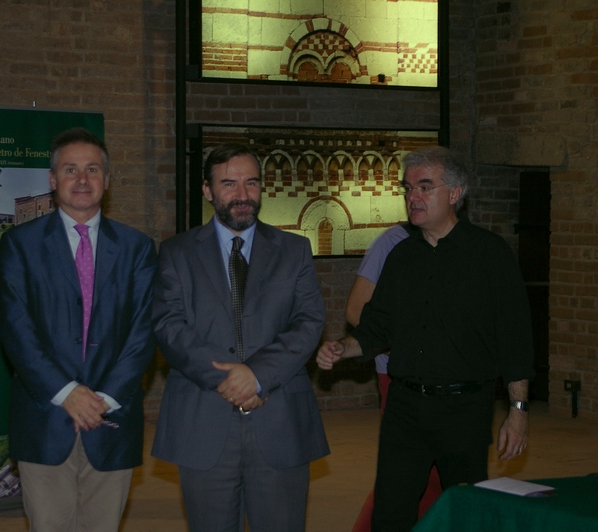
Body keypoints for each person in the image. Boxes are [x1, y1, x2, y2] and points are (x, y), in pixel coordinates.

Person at [317, 146, 534, 532]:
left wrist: (517, 413)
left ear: (455, 193)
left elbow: (515, 339)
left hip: (464, 407)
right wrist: (343, 348)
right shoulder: (401, 257)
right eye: (408, 188)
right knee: (390, 513)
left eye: (424, 187)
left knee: (465, 512)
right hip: (404, 407)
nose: (412, 196)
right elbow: (376, 328)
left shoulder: (489, 255)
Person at [152, 143, 329, 531]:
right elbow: (168, 326)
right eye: (229, 184)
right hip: (204, 420)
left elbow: (309, 321)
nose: (243, 195)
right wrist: (229, 379)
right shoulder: (177, 253)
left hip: (278, 417)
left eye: (251, 183)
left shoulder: (294, 250)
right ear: (207, 190)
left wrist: (257, 374)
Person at [0, 127, 157, 531]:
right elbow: (17, 330)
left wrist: (103, 397)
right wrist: (68, 393)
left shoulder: (138, 248)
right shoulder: (21, 244)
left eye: (92, 169)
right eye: (71, 170)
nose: (82, 180)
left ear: (107, 179)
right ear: (53, 181)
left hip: (112, 414)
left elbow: (144, 331)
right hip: (45, 415)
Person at [346, 223, 442, 532]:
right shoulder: (392, 241)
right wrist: (414, 339)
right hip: (400, 376)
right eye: (411, 188)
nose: (415, 196)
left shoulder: (461, 242)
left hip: (447, 380)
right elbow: (357, 311)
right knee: (403, 478)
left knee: (439, 479)